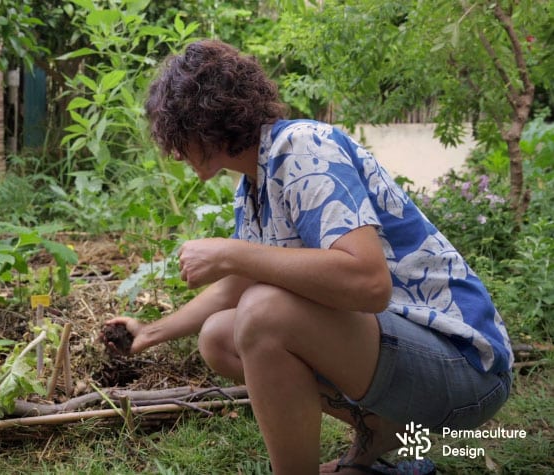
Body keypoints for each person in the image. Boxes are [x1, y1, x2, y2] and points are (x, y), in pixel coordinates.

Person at [104, 39, 513, 474]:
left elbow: (369, 283)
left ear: (204, 119)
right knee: (219, 336)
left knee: (263, 311)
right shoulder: (254, 186)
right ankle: (378, 433)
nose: (173, 152)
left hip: (467, 370)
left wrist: (232, 252)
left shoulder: (302, 147)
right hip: (412, 364)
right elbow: (239, 284)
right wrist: (150, 332)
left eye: (176, 134)